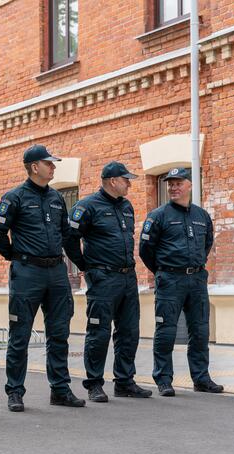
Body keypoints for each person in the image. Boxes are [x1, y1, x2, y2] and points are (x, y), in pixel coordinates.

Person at [0, 144, 86, 411]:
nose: (53, 167)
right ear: (34, 167)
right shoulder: (14, 197)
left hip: (56, 272)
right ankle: (15, 391)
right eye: (49, 163)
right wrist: (16, 256)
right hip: (27, 273)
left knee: (59, 333)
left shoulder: (56, 198)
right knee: (20, 334)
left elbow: (66, 236)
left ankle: (60, 390)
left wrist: (81, 263)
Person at [68, 162, 152, 402]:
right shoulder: (87, 206)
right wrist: (85, 266)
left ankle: (125, 382)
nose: (129, 183)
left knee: (129, 331)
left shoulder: (126, 206)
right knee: (99, 331)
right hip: (103, 278)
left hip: (127, 277)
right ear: (113, 181)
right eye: (126, 179)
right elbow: (70, 239)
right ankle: (94, 383)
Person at [139, 167, 224, 397]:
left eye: (178, 183)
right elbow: (145, 250)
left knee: (200, 331)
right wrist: (163, 272)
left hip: (196, 279)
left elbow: (207, 243)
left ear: (189, 185)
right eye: (170, 184)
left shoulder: (201, 216)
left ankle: (201, 378)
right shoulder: (158, 215)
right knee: (166, 331)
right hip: (170, 280)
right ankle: (164, 379)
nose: (173, 187)